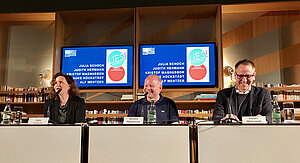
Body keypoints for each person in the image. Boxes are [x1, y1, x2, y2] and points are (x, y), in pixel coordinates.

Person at [213, 59, 272, 123]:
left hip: (255, 131)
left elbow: (268, 117)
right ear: (235, 76)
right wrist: (224, 119)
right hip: (230, 131)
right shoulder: (223, 94)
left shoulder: (263, 93)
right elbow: (217, 117)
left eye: (248, 76)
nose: (244, 80)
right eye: (240, 76)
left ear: (254, 76)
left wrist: (262, 119)